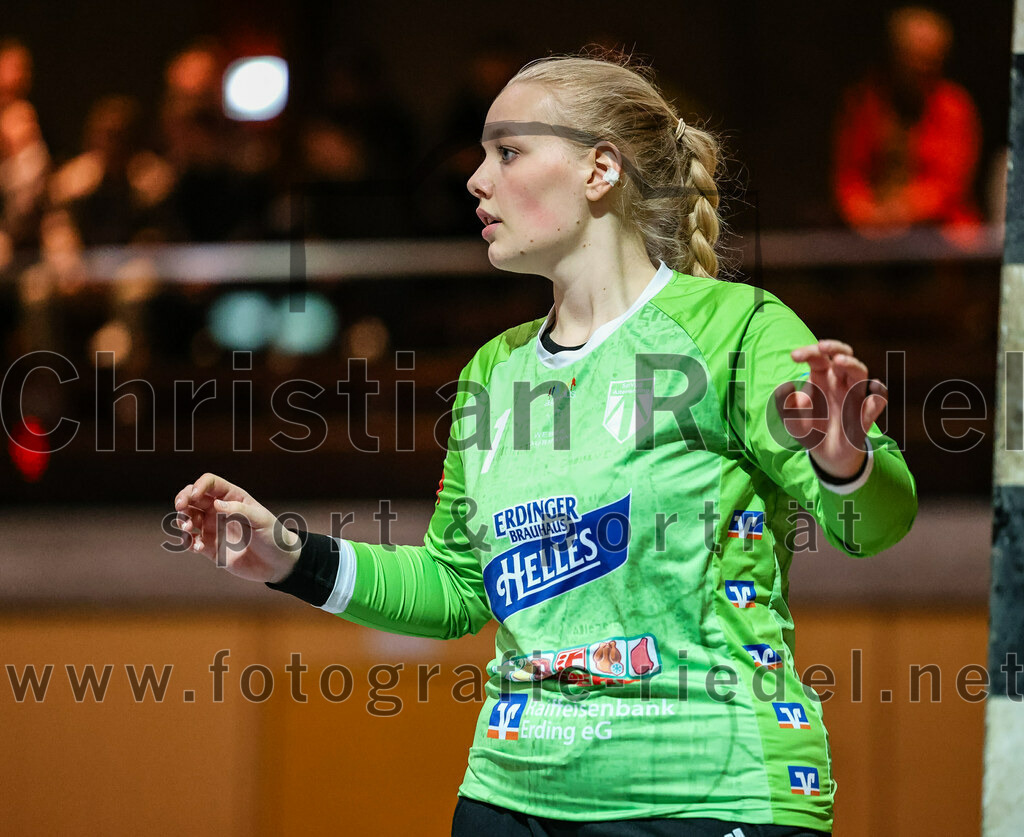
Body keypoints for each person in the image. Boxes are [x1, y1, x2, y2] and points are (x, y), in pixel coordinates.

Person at [174, 52, 916, 836]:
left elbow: (877, 528)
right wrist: (289, 555)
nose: (476, 179)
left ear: (600, 169)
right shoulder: (493, 372)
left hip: (709, 798)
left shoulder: (736, 328)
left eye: (508, 151)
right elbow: (457, 588)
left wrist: (846, 463)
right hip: (509, 801)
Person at [832, 6, 981, 238]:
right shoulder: (865, 101)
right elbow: (849, 176)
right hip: (870, 225)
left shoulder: (954, 106)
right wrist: (864, 213)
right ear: (895, 55)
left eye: (929, 59)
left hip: (937, 228)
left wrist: (904, 210)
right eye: (913, 57)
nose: (920, 68)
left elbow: (950, 186)